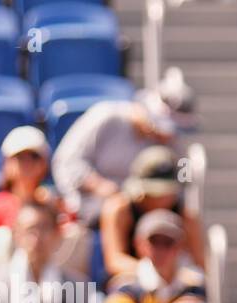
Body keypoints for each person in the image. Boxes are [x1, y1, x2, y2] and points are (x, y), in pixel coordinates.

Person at [52, 71, 197, 226]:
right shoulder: (105, 116)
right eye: (164, 128)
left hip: (149, 220)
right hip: (92, 212)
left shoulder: (176, 145)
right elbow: (66, 162)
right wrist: (100, 186)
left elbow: (184, 182)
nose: (167, 136)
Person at [0, 126, 91, 276]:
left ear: (44, 164)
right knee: (0, 238)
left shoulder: (56, 203)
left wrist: (51, 213)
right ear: (7, 164)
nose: (27, 163)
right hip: (4, 282)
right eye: (19, 158)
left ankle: (68, 293)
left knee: (75, 233)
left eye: (34, 157)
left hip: (52, 276)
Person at [100, 145, 203, 281]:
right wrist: (150, 274)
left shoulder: (187, 216)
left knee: (191, 300)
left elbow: (200, 264)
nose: (160, 198)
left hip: (174, 285)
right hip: (130, 284)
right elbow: (114, 261)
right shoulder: (119, 210)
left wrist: (174, 280)